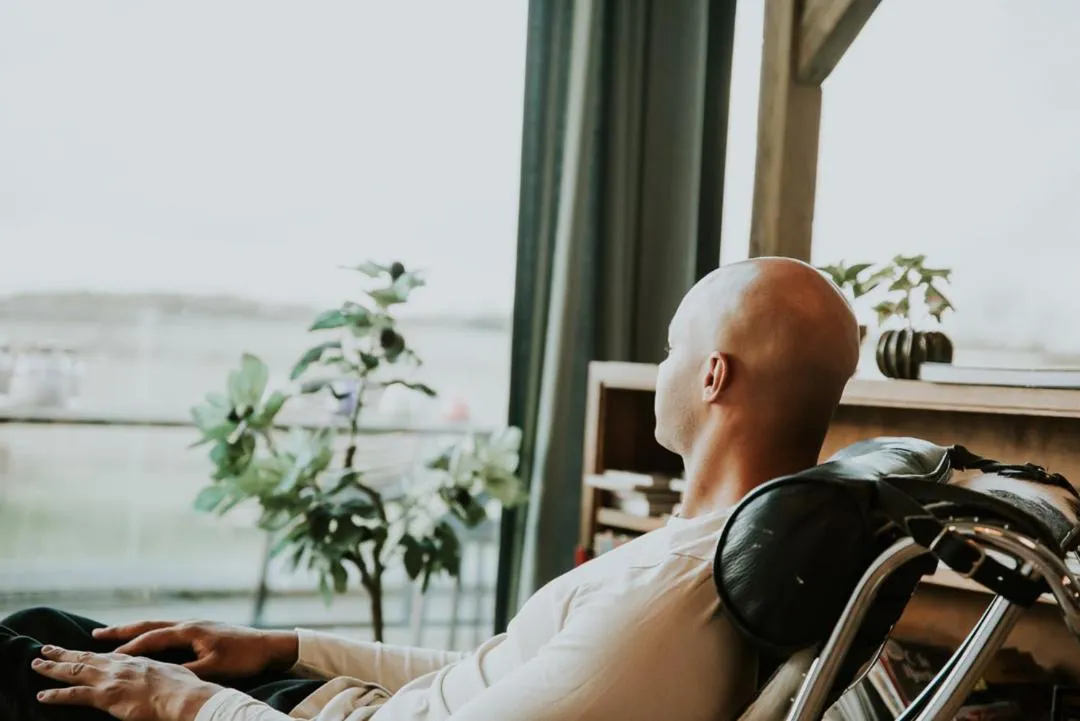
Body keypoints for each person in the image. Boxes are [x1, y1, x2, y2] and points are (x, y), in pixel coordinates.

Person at [1, 257, 861, 721]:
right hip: (322, 699)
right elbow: (487, 674)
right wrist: (284, 644)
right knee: (43, 630)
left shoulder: (672, 601)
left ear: (712, 376)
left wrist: (190, 706)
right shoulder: (707, 553)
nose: (660, 368)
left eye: (674, 348)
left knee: (16, 657)